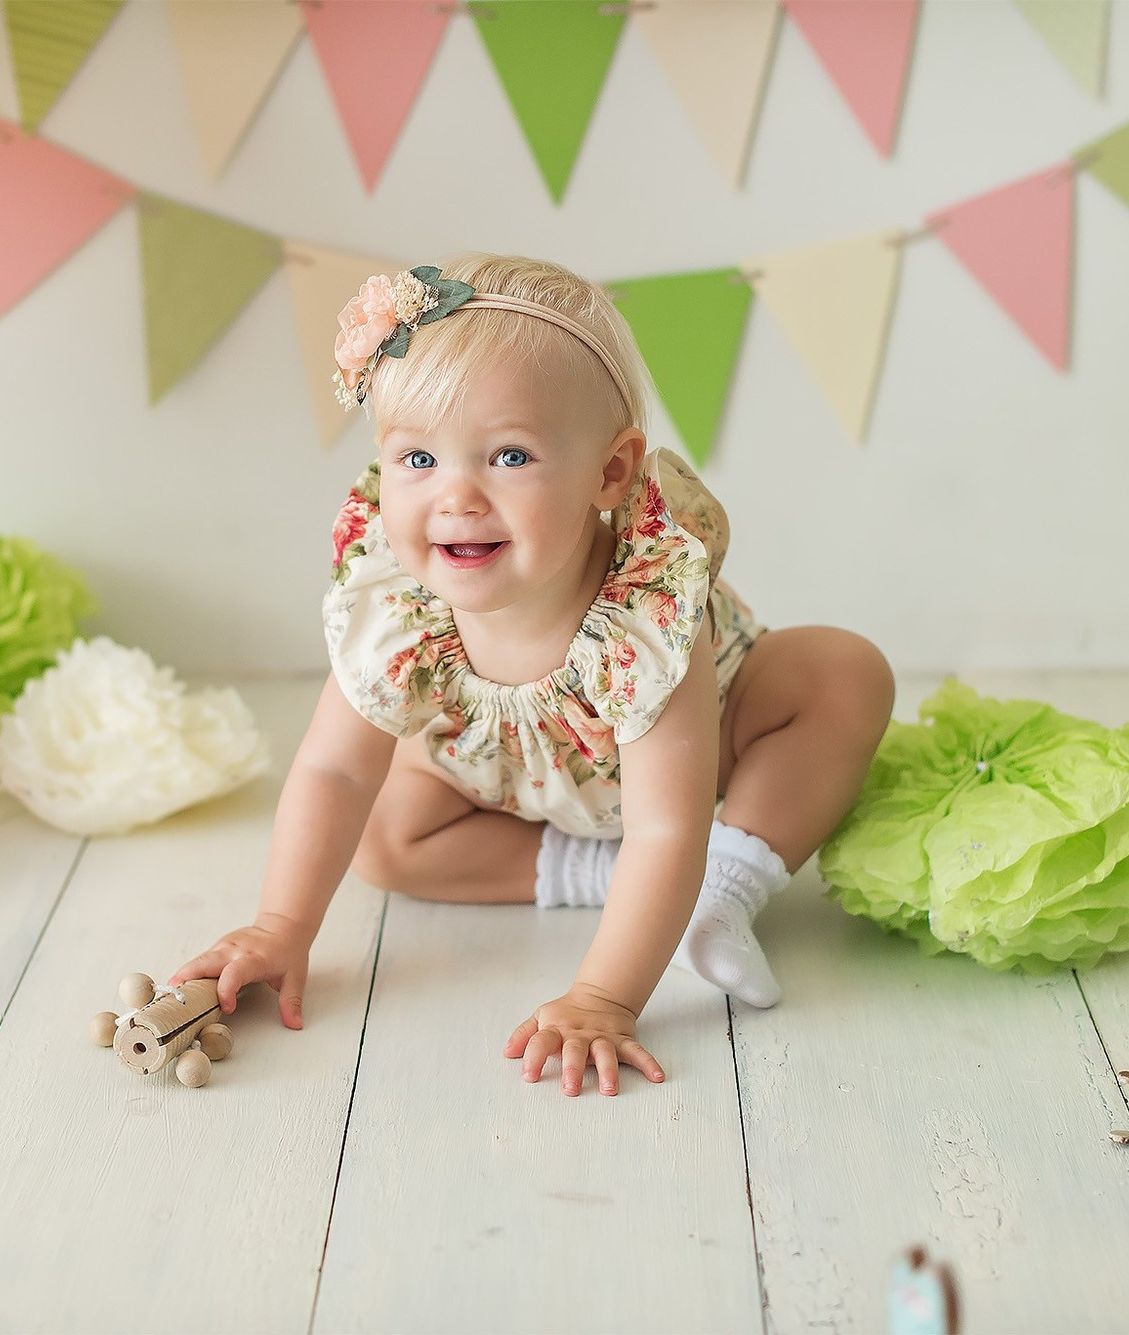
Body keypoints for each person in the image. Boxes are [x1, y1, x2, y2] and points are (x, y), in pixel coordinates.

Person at [170, 254, 894, 1097]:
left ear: (611, 473)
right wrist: (280, 925)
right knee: (382, 833)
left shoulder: (643, 605)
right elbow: (333, 768)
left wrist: (603, 996)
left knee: (843, 674)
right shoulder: (398, 605)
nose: (457, 496)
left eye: (509, 456)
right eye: (417, 460)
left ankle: (725, 885)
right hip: (510, 787)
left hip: (707, 770)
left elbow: (665, 826)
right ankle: (591, 877)